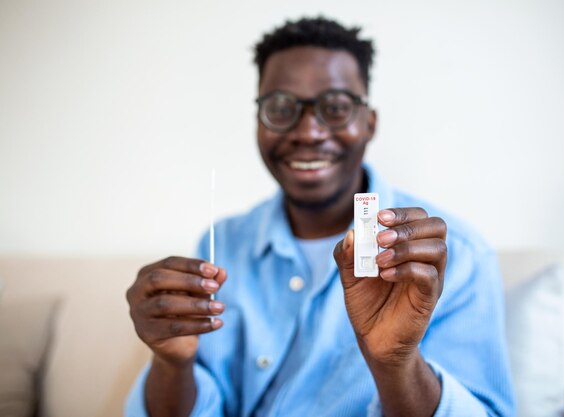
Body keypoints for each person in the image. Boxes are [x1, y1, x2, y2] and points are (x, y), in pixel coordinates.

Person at [125, 17, 515, 417]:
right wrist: (172, 363)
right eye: (280, 107)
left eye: (335, 107)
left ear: (370, 123)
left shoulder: (453, 256)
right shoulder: (223, 243)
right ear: (258, 121)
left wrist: (396, 365)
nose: (309, 132)